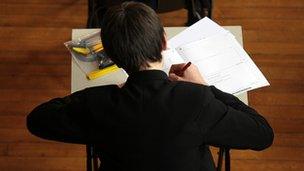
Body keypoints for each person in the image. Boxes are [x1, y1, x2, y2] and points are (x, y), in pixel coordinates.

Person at [27, 2, 273, 171]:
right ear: (164, 41)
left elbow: (37, 119)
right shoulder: (198, 100)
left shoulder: (98, 104)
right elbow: (262, 134)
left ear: (111, 55)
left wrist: (97, 97)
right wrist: (206, 88)